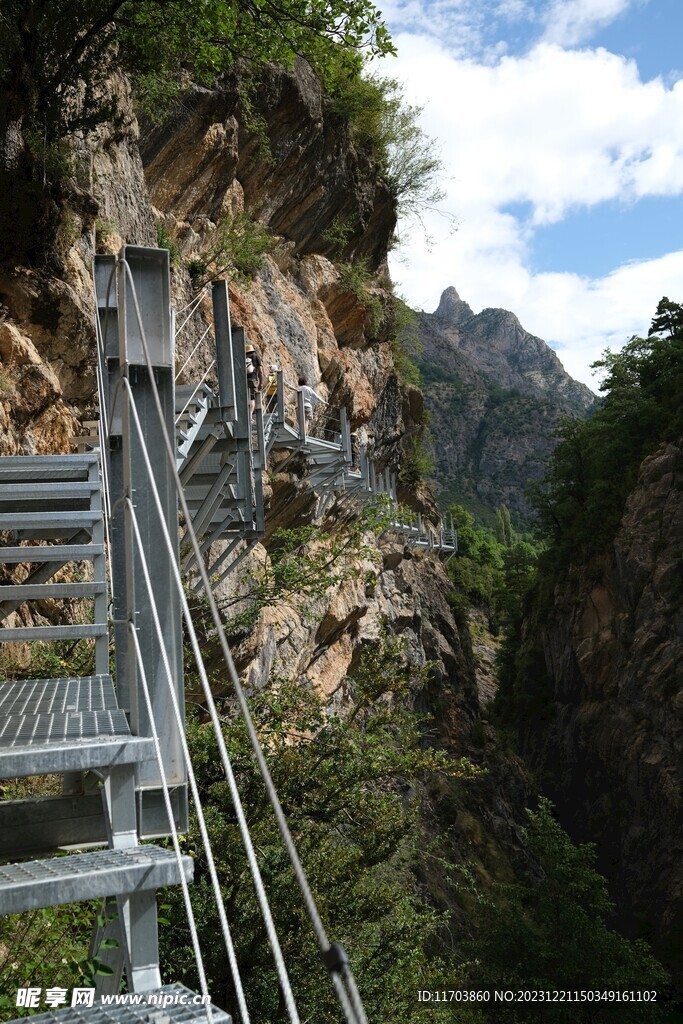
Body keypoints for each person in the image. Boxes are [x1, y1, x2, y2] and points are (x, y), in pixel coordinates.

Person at [245, 342, 264, 415]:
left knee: (245, 397)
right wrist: (261, 382)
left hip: (243, 380)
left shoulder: (243, 357)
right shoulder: (255, 356)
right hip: (253, 380)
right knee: (252, 398)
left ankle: (245, 415)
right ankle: (250, 415)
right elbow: (260, 371)